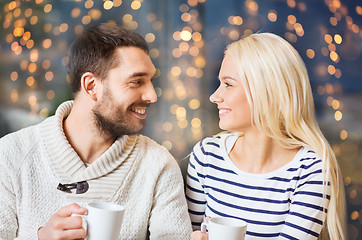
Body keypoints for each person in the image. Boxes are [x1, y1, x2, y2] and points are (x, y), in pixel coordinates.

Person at [0, 23, 192, 239]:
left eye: (150, 81)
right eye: (137, 81)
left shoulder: (158, 165)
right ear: (91, 86)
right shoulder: (10, 155)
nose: (151, 95)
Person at [187, 33, 346, 239]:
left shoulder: (310, 170)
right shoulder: (206, 156)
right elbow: (190, 232)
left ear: (267, 91)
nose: (215, 96)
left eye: (228, 84)